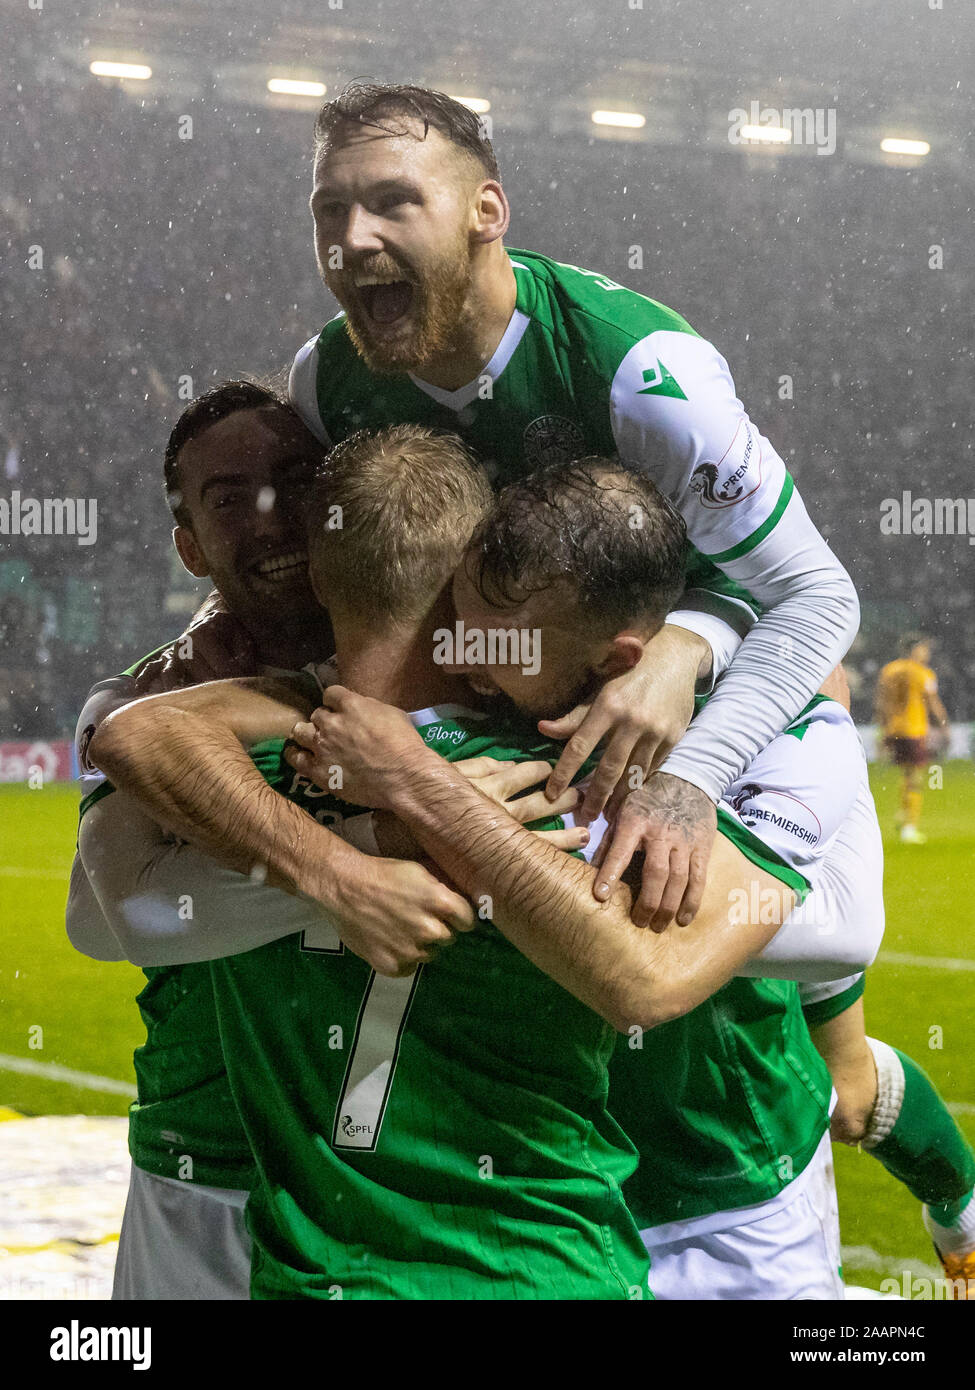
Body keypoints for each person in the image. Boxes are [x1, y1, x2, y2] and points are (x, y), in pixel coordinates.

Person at [86, 433, 867, 1299]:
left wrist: (353, 848)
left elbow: (129, 766)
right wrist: (386, 847)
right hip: (553, 1262)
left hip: (318, 1277)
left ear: (319, 575)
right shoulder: (596, 773)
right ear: (468, 570)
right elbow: (806, 938)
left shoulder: (257, 767)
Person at [286, 80, 860, 929]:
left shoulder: (642, 374)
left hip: (705, 724)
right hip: (507, 727)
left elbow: (816, 596)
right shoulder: (326, 382)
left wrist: (686, 678)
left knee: (771, 1009)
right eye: (328, 210)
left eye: (392, 203)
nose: (350, 239)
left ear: (486, 210)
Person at [67, 383, 471, 1299]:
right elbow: (118, 920)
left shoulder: (446, 655)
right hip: (206, 1163)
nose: (276, 516)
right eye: (227, 497)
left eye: (298, 480)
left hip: (413, 1161)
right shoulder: (145, 700)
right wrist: (371, 855)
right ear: (189, 546)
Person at [874, 634, 948, 843]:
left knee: (907, 774)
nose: (927, 653)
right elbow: (933, 702)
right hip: (913, 729)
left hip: (893, 728)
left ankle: (902, 813)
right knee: (915, 778)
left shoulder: (889, 670)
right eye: (924, 648)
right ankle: (909, 826)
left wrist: (884, 728)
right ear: (914, 650)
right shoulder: (922, 673)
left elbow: (881, 701)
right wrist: (944, 725)